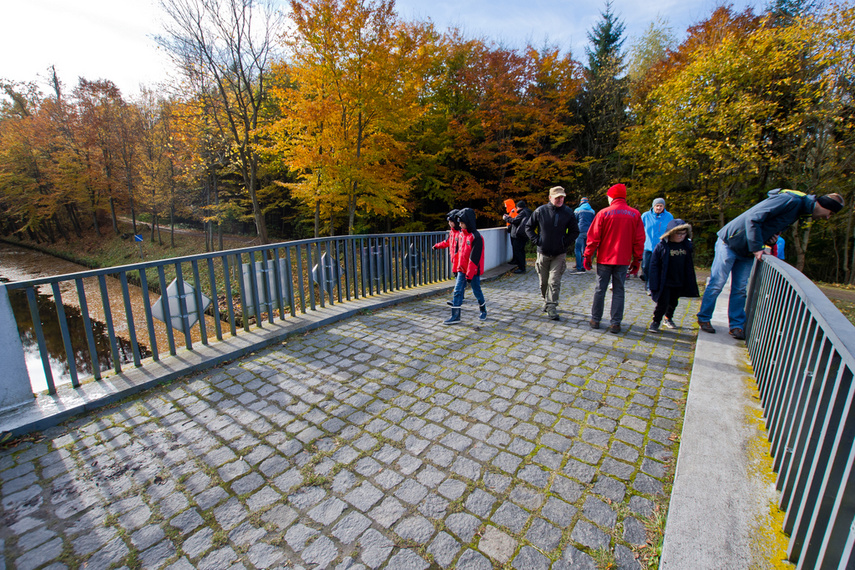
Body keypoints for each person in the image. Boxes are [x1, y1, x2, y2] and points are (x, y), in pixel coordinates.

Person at [696, 189, 844, 340]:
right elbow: (753, 218)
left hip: (747, 250)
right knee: (717, 283)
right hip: (730, 241)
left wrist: (768, 240)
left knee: (740, 288)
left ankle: (736, 326)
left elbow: (768, 226)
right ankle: (704, 318)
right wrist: (757, 247)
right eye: (830, 213)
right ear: (824, 206)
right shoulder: (791, 200)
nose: (827, 217)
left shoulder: (799, 210)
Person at [583, 183, 644, 334]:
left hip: (605, 258)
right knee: (619, 290)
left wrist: (588, 255)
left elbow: (593, 237)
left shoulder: (604, 213)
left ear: (611, 197)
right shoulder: (635, 214)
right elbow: (639, 240)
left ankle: (596, 319)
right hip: (623, 259)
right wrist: (637, 259)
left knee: (600, 289)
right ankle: (615, 323)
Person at [525, 186, 579, 321]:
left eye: (562, 197)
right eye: (557, 197)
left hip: (559, 254)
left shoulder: (568, 212)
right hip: (543, 253)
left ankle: (552, 306)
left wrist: (564, 242)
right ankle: (546, 300)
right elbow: (528, 227)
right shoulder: (540, 211)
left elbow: (575, 231)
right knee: (543, 282)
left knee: (554, 281)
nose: (560, 199)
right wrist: (537, 240)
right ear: (550, 198)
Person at [647, 219, 700, 333]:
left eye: (683, 233)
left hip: (679, 279)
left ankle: (668, 318)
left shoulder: (686, 246)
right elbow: (654, 265)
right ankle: (656, 321)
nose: (681, 236)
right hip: (665, 280)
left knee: (674, 301)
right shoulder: (662, 246)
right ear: (671, 233)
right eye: (678, 233)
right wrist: (653, 283)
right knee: (663, 302)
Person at [443, 208, 486, 324]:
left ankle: (483, 309)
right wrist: (458, 268)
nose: (460, 225)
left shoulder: (476, 237)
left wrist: (469, 275)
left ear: (468, 222)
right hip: (462, 269)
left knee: (477, 291)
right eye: (460, 223)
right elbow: (459, 253)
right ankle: (455, 316)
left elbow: (474, 258)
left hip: (473, 271)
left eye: (462, 223)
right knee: (457, 291)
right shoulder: (461, 235)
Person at [641, 198, 674, 293]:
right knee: (646, 266)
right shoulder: (646, 216)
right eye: (657, 206)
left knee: (659, 266)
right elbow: (639, 228)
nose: (659, 207)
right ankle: (647, 281)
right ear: (653, 206)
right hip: (648, 245)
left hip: (661, 246)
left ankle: (653, 285)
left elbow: (671, 230)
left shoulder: (669, 216)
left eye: (661, 206)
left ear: (664, 207)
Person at [504, 200, 532, 273]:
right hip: (524, 234)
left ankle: (521, 268)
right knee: (521, 250)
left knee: (518, 251)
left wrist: (506, 218)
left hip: (519, 235)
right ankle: (522, 265)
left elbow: (515, 221)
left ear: (518, 207)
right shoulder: (528, 212)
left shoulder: (522, 213)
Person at [433, 209, 462, 275]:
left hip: (460, 264)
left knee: (459, 283)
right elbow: (447, 242)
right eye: (449, 222)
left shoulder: (460, 233)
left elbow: (459, 252)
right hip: (455, 262)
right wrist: (437, 246)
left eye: (451, 222)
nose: (450, 223)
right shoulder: (452, 232)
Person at [573, 198, 596, 272]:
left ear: (581, 202)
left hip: (580, 231)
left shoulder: (577, 210)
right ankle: (584, 265)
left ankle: (579, 266)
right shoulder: (592, 211)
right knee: (585, 249)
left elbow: (574, 221)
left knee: (577, 249)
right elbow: (594, 221)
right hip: (589, 232)